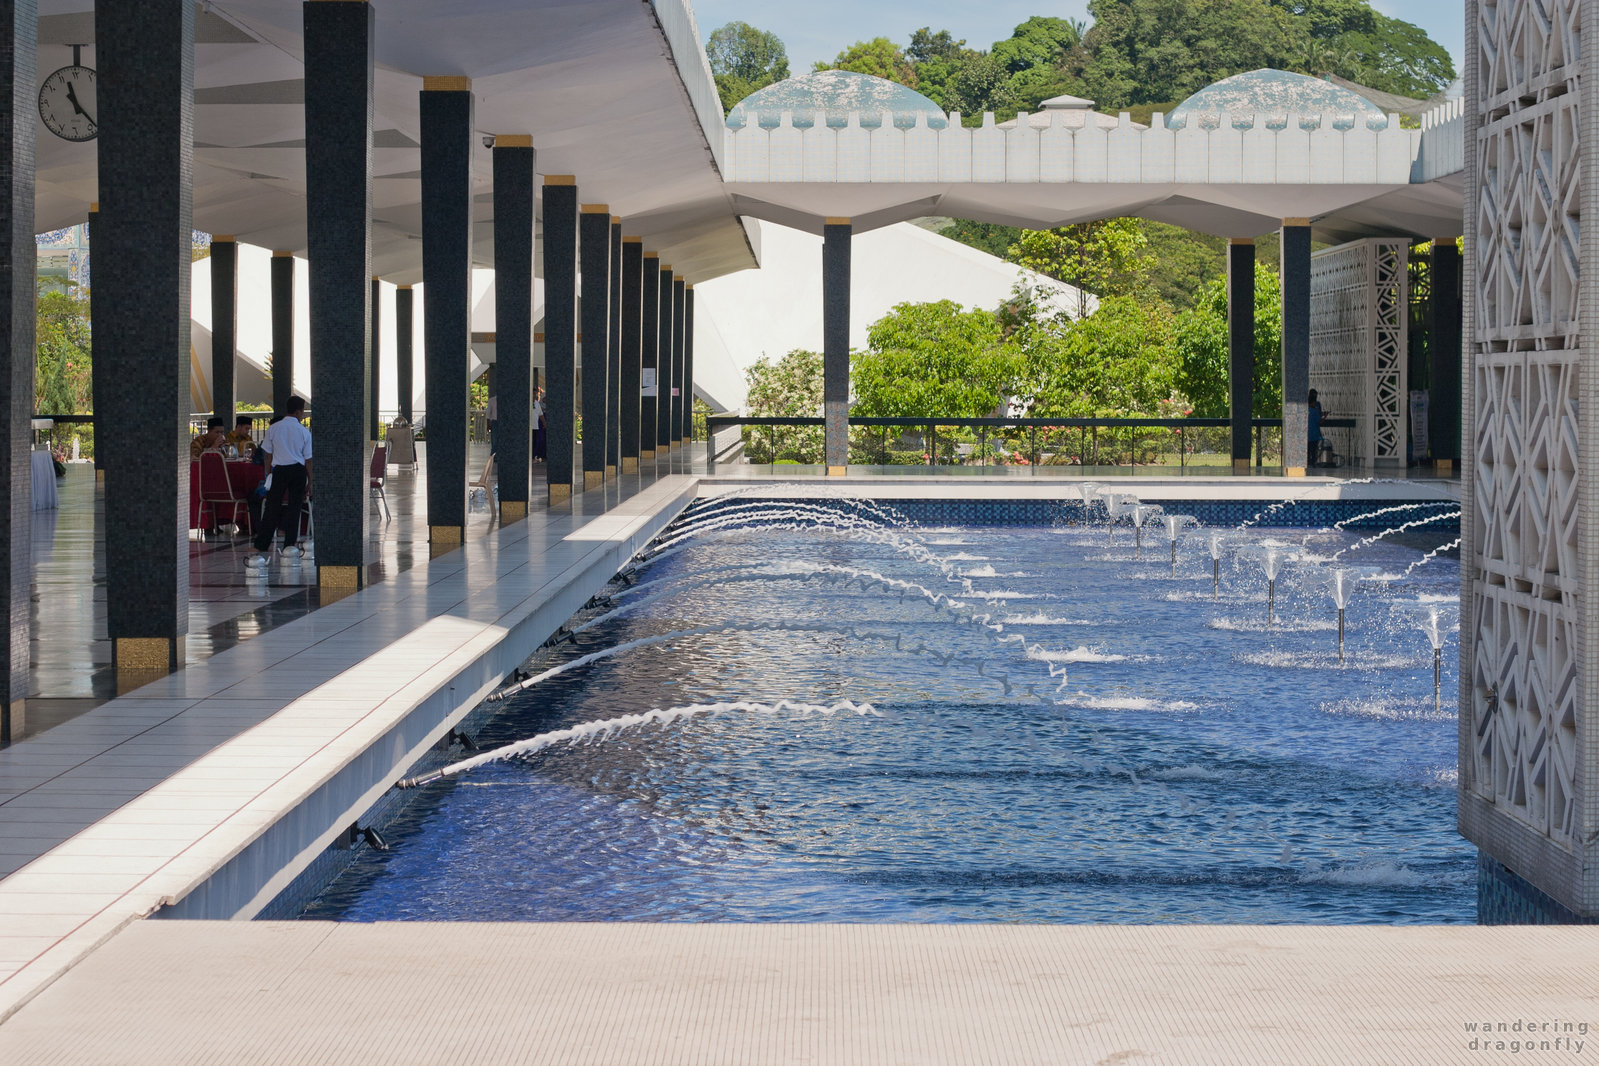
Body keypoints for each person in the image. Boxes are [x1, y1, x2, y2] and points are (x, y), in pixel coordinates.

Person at [245, 397, 312, 568]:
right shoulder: (304, 432)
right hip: (298, 471)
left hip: (279, 470)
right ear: (298, 411)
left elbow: (267, 454)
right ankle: (290, 543)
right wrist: (311, 480)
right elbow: (308, 460)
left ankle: (261, 544)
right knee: (294, 506)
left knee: (272, 507)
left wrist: (269, 473)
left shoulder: (274, 428)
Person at [1307, 389, 1326, 466]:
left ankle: (1308, 462)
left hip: (1308, 433)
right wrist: (1325, 416)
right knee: (1314, 449)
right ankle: (1313, 463)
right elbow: (1319, 421)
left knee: (1308, 449)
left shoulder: (1306, 410)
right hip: (1314, 433)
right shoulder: (1314, 410)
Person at [533, 387, 546, 462]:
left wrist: (544, 423)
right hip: (529, 427)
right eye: (533, 394)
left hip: (535, 426)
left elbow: (540, 414)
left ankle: (535, 456)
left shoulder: (536, 403)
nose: (535, 395)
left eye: (535, 394)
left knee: (536, 442)